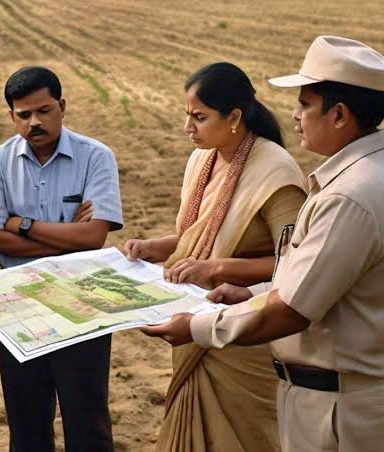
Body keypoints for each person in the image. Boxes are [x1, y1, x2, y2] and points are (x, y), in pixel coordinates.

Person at [143, 36, 384, 452]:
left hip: (339, 411)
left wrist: (197, 325)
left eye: (305, 104)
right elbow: (310, 279)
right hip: (327, 396)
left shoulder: (348, 196)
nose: (294, 115)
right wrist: (249, 293)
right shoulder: (359, 178)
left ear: (340, 114)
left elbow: (292, 308)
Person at [124, 62, 307, 451]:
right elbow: (198, 236)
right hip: (196, 321)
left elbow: (297, 263)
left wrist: (219, 268)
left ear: (235, 117)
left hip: (243, 333)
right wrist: (152, 247)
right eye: (187, 115)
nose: (188, 127)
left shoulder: (275, 170)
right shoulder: (202, 159)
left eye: (200, 117)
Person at [0, 66, 123, 452]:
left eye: (43, 110)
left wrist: (20, 224)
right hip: (17, 302)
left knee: (87, 419)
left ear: (62, 106)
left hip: (86, 299)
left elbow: (93, 236)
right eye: (23, 115)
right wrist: (68, 238)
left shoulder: (96, 156)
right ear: (12, 116)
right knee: (26, 422)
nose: (34, 122)